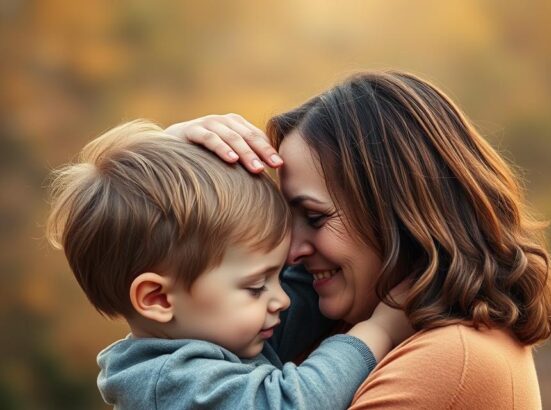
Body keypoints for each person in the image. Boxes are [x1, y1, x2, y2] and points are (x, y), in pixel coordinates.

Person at [167, 70, 551, 409]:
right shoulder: (346, 319)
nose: (291, 251)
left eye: (315, 217)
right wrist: (167, 164)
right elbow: (173, 335)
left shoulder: (449, 361)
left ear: (399, 212)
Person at [45, 120, 412, 409]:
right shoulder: (170, 381)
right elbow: (292, 404)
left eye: (276, 274)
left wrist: (177, 145)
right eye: (257, 286)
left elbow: (305, 284)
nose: (282, 299)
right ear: (157, 298)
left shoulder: (223, 332)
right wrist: (378, 330)